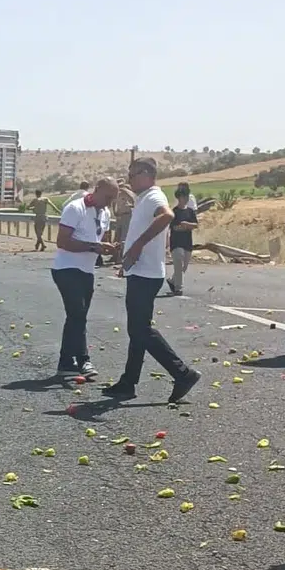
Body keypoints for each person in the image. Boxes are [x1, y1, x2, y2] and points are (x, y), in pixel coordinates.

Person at [102, 158, 201, 403]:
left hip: (146, 275)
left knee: (141, 329)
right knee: (137, 330)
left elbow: (166, 217)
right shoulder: (144, 198)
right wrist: (128, 256)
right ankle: (128, 383)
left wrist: (136, 247)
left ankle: (182, 373)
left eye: (133, 174)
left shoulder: (155, 197)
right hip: (142, 272)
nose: (130, 178)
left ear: (147, 174)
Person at [50, 178, 118, 379]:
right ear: (96, 190)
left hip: (87, 271)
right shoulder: (75, 208)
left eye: (113, 199)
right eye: (107, 197)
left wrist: (107, 247)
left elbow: (97, 239)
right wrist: (92, 247)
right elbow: (62, 241)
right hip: (66, 268)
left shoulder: (105, 213)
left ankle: (66, 363)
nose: (109, 202)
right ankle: (83, 360)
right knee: (77, 314)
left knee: (77, 317)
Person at [167, 184, 197, 296]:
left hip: (187, 242)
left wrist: (187, 224)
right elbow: (174, 227)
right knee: (178, 262)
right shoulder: (174, 211)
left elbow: (195, 225)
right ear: (179, 197)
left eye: (187, 196)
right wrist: (183, 226)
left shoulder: (190, 211)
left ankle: (173, 280)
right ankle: (178, 288)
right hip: (176, 242)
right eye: (184, 196)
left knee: (184, 266)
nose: (186, 199)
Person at [112, 181, 136, 248]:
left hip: (126, 215)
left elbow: (133, 199)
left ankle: (122, 251)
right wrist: (114, 211)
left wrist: (125, 190)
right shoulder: (116, 194)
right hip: (119, 216)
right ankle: (115, 251)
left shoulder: (127, 193)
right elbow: (113, 202)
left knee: (124, 235)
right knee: (117, 235)